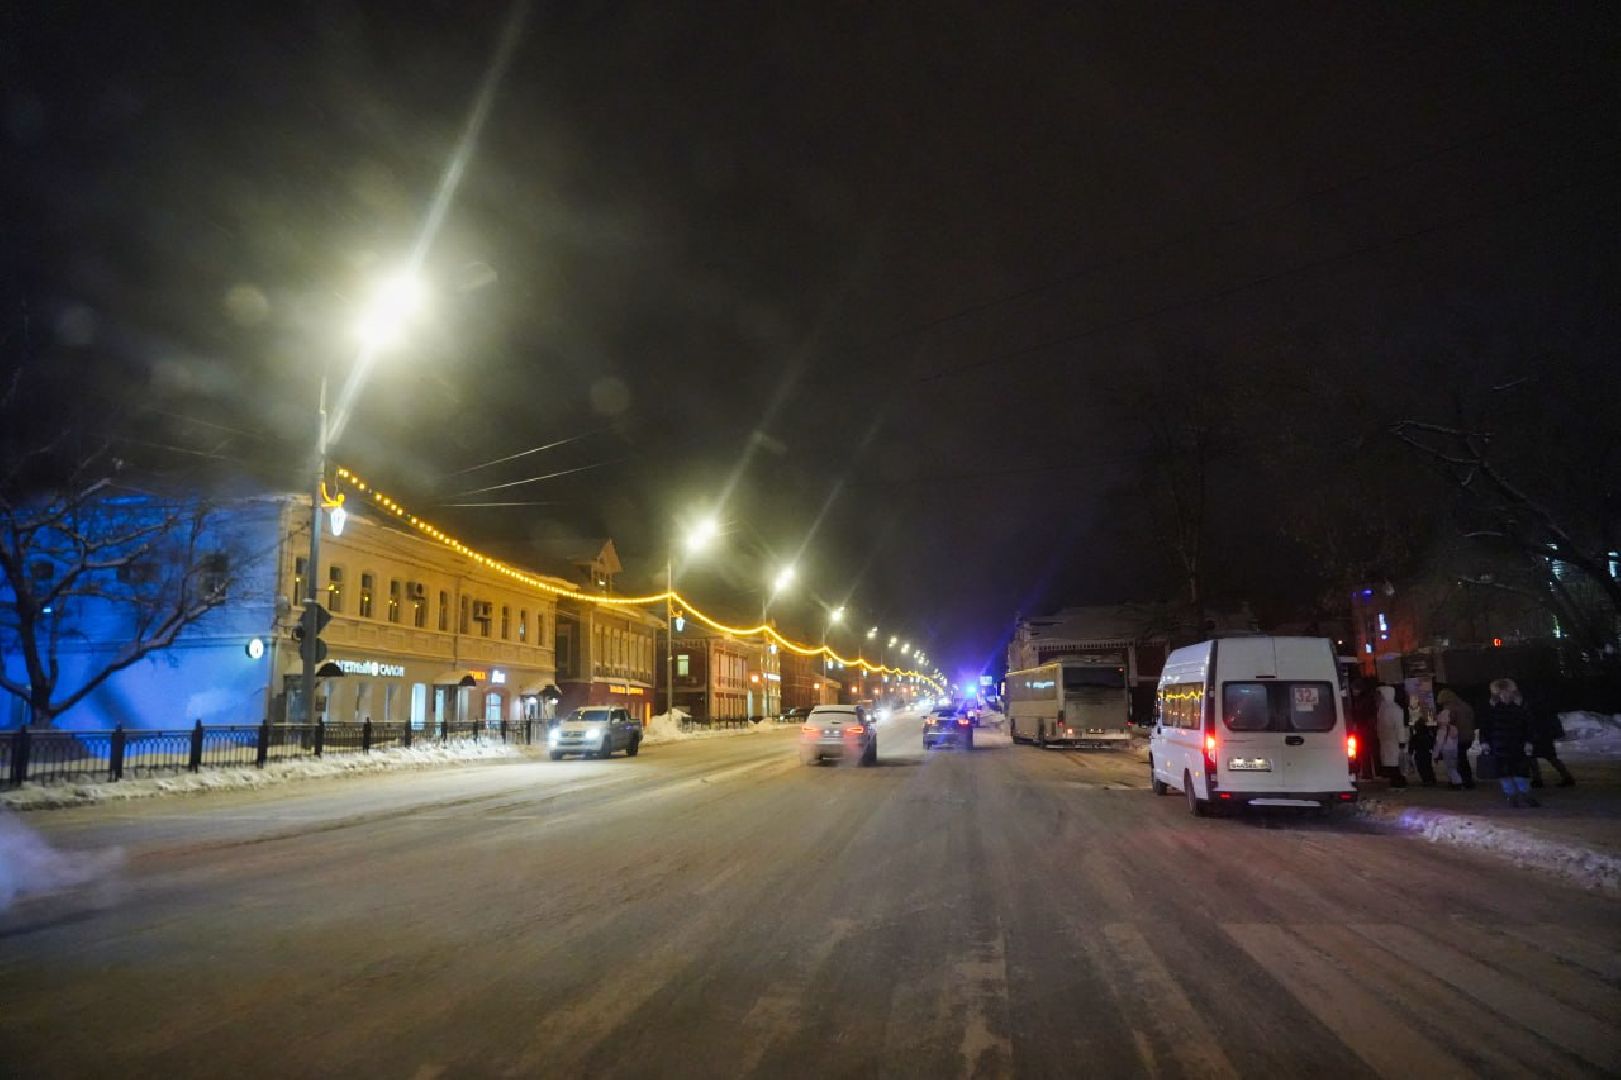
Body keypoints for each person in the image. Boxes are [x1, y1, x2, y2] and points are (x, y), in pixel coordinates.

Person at [1482, 678, 1538, 807]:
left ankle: (1525, 794)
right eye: (1502, 693)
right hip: (1499, 746)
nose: (1505, 695)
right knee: (1504, 772)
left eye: (1507, 692)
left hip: (1518, 745)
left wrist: (1529, 742)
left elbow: (1529, 726)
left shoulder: (1520, 709)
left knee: (1521, 771)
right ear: (1497, 694)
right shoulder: (1492, 710)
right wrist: (1485, 743)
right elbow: (1485, 727)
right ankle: (1511, 795)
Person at [1527, 695, 1575, 788]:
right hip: (1544, 738)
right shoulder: (1548, 711)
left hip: (1537, 737)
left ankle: (1537, 779)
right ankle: (1567, 777)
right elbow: (1555, 724)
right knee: (1551, 758)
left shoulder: (1532, 711)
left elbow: (1530, 724)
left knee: (1532, 759)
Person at [1436, 687, 1476, 789]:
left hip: (1456, 737)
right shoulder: (1465, 705)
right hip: (1468, 736)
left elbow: (1447, 723)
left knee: (1456, 761)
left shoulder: (1450, 709)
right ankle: (1467, 780)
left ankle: (1459, 782)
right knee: (1463, 759)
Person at [1375, 685, 1408, 787]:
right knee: (1390, 762)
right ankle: (1395, 782)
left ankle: (1399, 783)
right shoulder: (1382, 708)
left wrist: (1401, 740)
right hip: (1387, 740)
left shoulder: (1394, 709)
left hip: (1393, 740)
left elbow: (1399, 726)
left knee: (1395, 762)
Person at [1432, 704, 1464, 790]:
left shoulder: (1441, 731)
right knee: (1453, 767)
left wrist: (1435, 755)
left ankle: (1457, 783)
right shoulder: (1454, 728)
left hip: (1446, 751)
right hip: (1454, 750)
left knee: (1450, 768)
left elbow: (1439, 744)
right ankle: (1453, 782)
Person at [1407, 696, 1437, 787]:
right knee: (1427, 766)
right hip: (1427, 753)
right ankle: (1431, 778)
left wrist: (1410, 752)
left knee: (1421, 767)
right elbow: (1432, 743)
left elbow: (1411, 746)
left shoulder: (1416, 737)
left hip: (1419, 753)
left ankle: (1426, 779)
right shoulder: (1428, 735)